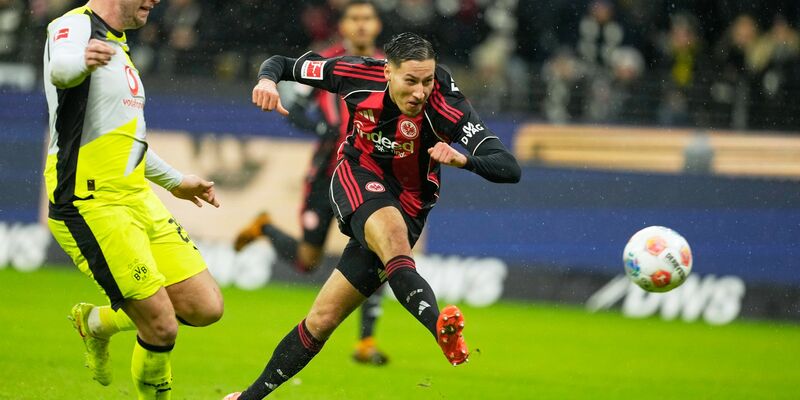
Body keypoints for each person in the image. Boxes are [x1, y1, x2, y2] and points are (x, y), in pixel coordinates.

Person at [224, 31, 521, 400]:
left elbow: (509, 167)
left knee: (322, 320)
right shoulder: (355, 73)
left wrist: (464, 159)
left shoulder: (448, 103)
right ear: (387, 72)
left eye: (427, 81)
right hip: (357, 176)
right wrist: (267, 81)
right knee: (392, 238)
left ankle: (246, 398)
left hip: (412, 205)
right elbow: (282, 64)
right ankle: (439, 328)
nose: (420, 92)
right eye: (410, 81)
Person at [43, 1, 223, 398]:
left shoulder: (119, 47)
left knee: (204, 306)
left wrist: (175, 181)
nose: (155, 0)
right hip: (89, 201)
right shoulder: (73, 26)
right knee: (160, 325)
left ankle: (96, 323)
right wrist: (83, 63)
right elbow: (61, 69)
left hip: (135, 195)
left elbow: (128, 141)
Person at [233, 0, 390, 366]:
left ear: (377, 25)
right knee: (307, 261)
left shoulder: (391, 67)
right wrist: (322, 127)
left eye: (368, 18)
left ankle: (366, 342)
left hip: (371, 172)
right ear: (345, 26)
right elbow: (293, 104)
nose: (362, 25)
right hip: (326, 172)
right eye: (355, 18)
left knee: (381, 248)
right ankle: (265, 229)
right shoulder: (325, 63)